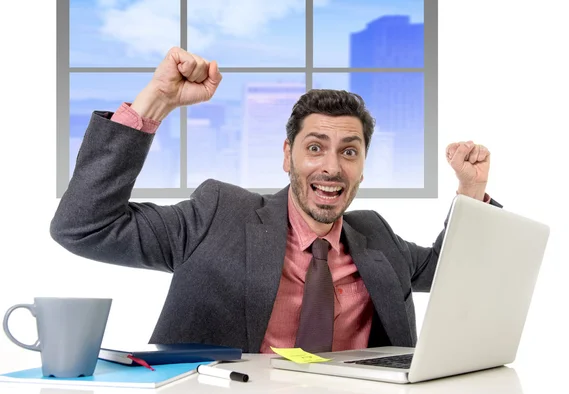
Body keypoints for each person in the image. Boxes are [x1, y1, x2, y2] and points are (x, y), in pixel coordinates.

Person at [50, 47, 501, 353]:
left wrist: (470, 190)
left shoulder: (376, 237)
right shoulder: (218, 215)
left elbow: (458, 275)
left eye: (349, 151)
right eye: (314, 147)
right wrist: (156, 102)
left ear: (363, 166)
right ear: (287, 156)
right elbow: (84, 227)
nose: (331, 167)